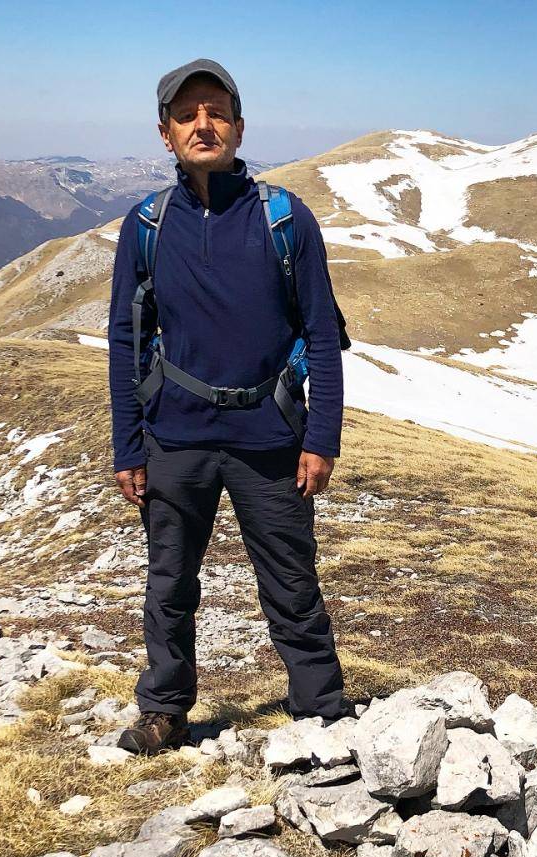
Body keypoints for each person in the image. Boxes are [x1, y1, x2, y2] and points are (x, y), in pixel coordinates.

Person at [107, 59, 348, 755]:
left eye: (216, 112)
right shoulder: (148, 225)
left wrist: (322, 438)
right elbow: (126, 339)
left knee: (291, 582)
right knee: (169, 582)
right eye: (187, 115)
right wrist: (128, 445)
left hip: (269, 436)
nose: (203, 125)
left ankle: (321, 712)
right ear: (166, 134)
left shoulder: (284, 219)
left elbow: (323, 333)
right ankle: (165, 710)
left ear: (239, 128)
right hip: (175, 437)